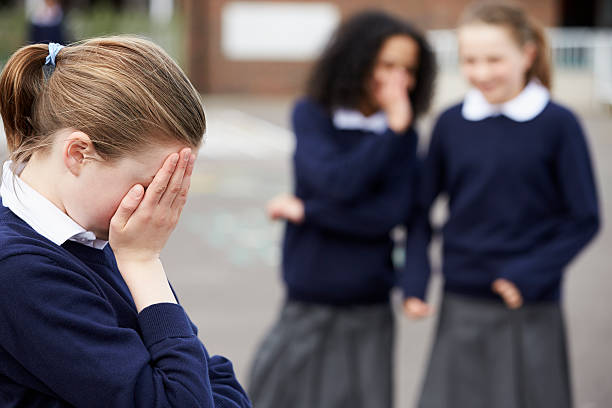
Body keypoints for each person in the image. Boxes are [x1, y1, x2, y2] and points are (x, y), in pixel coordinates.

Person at [0, 38, 251, 407]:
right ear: (78, 154)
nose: (159, 206)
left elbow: (211, 379)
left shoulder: (96, 238)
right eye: (152, 185)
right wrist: (143, 263)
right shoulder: (20, 271)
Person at [402, 3, 600, 408]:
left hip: (530, 306)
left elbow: (584, 218)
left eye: (494, 59)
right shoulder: (450, 123)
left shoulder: (558, 124)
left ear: (527, 55)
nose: (481, 72)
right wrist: (415, 279)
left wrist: (529, 274)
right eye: (470, 60)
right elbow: (419, 209)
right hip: (461, 303)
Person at [248, 10, 435, 408]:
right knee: (276, 394)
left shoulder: (404, 133)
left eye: (409, 69)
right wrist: (392, 131)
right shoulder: (313, 115)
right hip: (309, 294)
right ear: (356, 61)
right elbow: (337, 183)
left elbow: (391, 215)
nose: (399, 80)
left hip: (369, 301)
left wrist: (310, 211)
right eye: (387, 65)